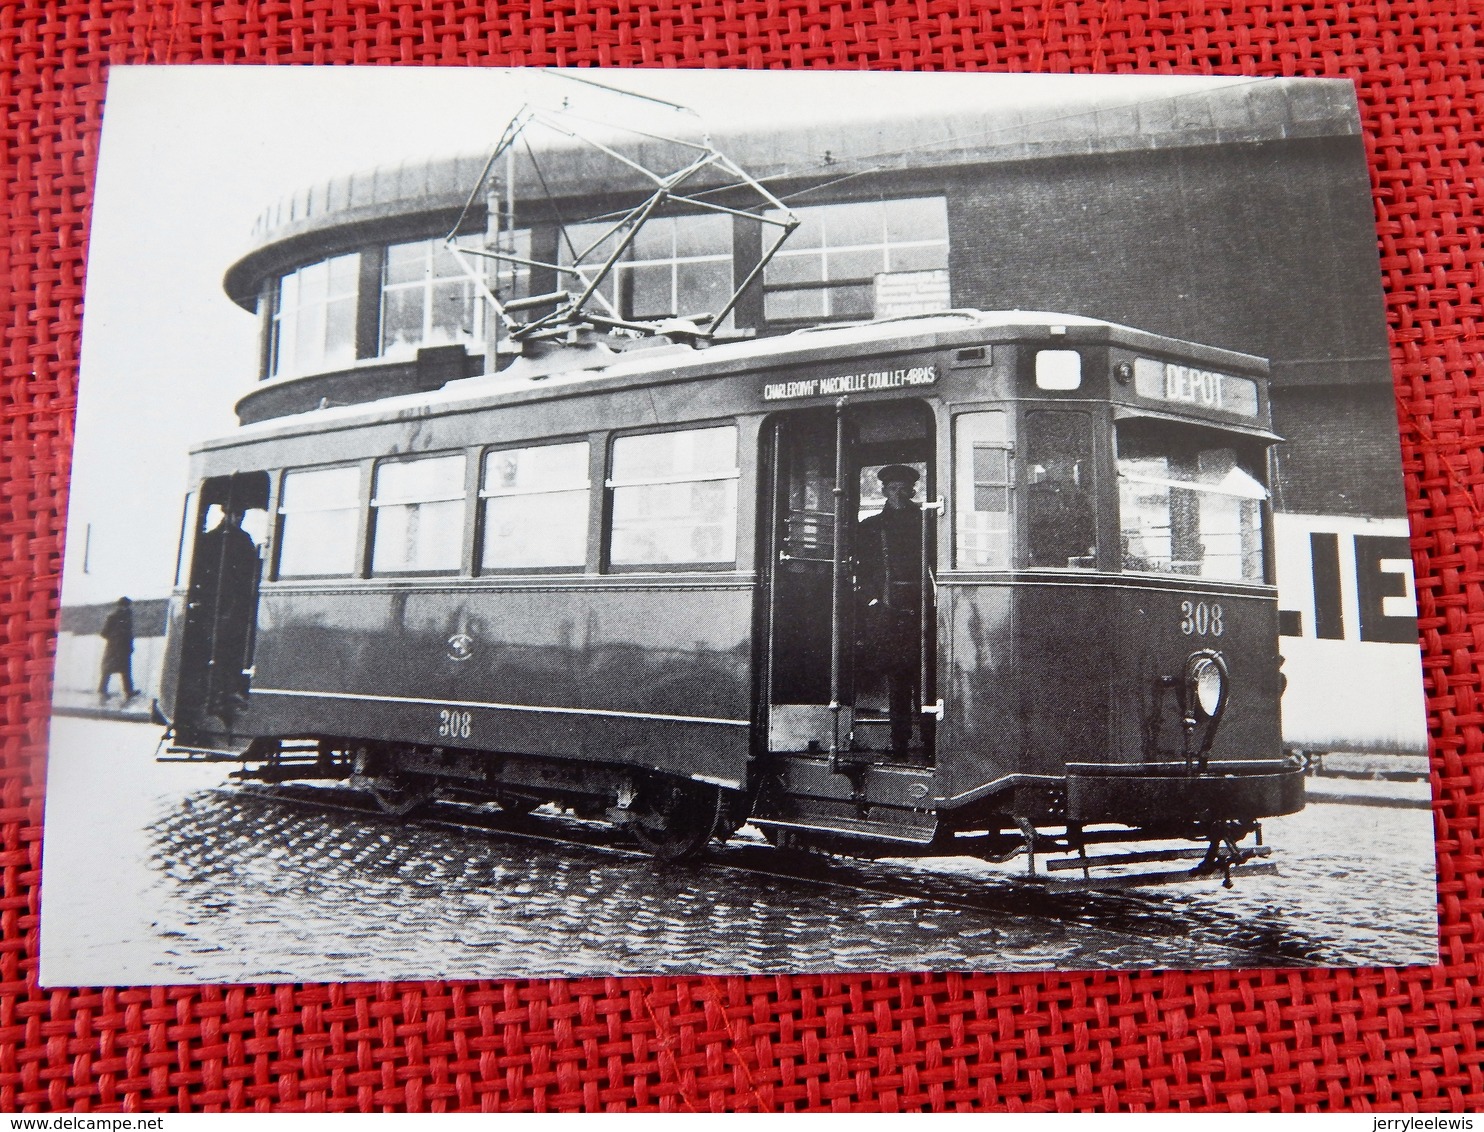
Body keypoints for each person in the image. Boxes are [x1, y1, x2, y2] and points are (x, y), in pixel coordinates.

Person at [855, 464, 929, 760]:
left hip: (923, 607)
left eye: (904, 489)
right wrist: (873, 600)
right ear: (884, 491)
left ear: (913, 491)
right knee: (897, 677)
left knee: (926, 676)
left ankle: (930, 742)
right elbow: (862, 569)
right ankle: (899, 742)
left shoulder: (926, 523)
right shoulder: (870, 527)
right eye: (892, 488)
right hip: (887, 609)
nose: (898, 494)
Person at [188, 503, 261, 713]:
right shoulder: (231, 539)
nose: (240, 519)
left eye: (242, 515)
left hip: (224, 603)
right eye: (237, 515)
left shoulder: (215, 539)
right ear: (228, 514)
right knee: (223, 650)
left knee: (225, 650)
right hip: (223, 604)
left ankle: (221, 694)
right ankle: (220, 695)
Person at [98, 596, 136, 702]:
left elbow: (129, 633)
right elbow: (104, 633)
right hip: (116, 648)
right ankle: (103, 690)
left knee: (120, 670)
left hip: (121, 648)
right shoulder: (115, 617)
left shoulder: (126, 616)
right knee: (111, 670)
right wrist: (115, 638)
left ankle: (128, 691)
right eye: (126, 606)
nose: (127, 608)